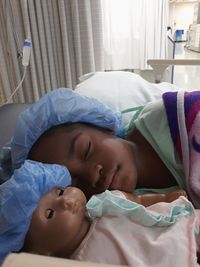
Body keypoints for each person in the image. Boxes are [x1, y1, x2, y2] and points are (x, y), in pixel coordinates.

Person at [10, 88, 200, 206]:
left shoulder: (174, 116)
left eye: (86, 151)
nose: (91, 176)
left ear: (103, 126)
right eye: (73, 184)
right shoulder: (126, 206)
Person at [0, 160, 197, 266]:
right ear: (39, 252)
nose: (66, 201)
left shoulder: (103, 204)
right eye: (50, 213)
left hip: (174, 232)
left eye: (60, 192)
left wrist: (164, 199)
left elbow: (137, 201)